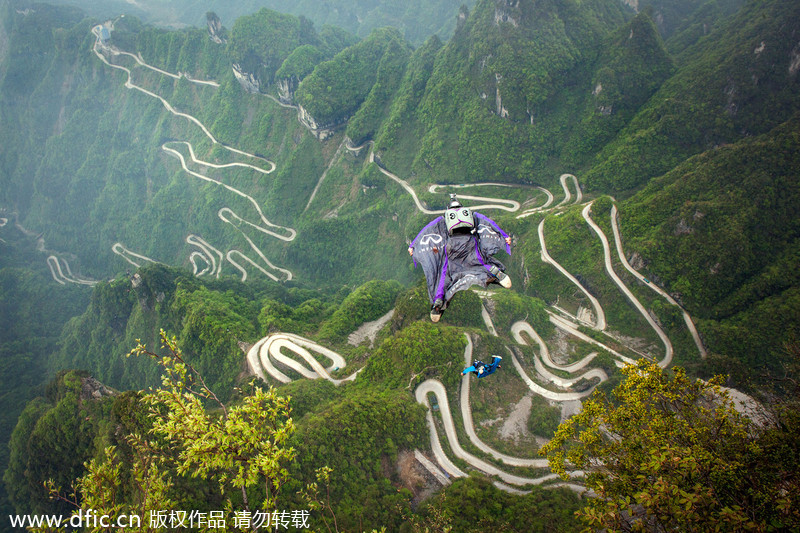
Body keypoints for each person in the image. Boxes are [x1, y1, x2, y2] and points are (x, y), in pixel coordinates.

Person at [409, 195, 512, 322]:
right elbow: (488, 222)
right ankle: (496, 273)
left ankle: (438, 302)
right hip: (469, 243)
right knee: (479, 262)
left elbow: (426, 230)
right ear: (461, 207)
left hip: (452, 247)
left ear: (449, 208)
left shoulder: (443, 220)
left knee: (445, 274)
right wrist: (503, 235)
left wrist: (413, 245)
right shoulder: (473, 215)